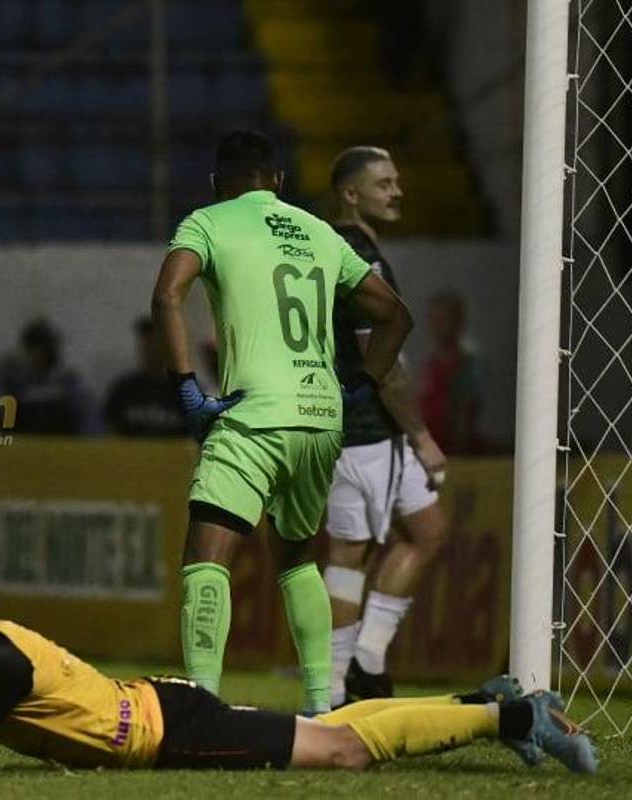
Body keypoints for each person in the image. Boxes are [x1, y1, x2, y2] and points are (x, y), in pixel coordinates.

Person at [0, 548, 597, 774]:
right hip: (155, 712)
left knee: (342, 752)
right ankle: (479, 700)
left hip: (164, 731)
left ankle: (513, 716)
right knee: (330, 727)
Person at [151, 130, 412, 715]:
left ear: (218, 184)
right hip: (321, 420)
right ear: (279, 182)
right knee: (295, 560)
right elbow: (395, 316)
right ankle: (322, 703)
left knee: (207, 555)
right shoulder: (320, 231)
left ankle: (201, 705)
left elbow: (168, 297)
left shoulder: (208, 222)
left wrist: (187, 388)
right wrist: (361, 388)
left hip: (254, 415)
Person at [321, 146, 450, 705]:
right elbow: (380, 358)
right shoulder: (357, 258)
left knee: (428, 532)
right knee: (349, 557)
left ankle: (367, 660)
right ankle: (331, 686)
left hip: (376, 431)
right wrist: (421, 435)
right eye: (384, 183)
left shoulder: (349, 249)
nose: (397, 191)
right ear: (351, 194)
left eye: (397, 180)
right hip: (361, 430)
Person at [0, 317, 99, 435]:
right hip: (21, 446)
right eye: (35, 348)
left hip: (60, 446)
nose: (40, 353)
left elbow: (90, 423)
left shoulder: (68, 382)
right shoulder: (14, 382)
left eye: (45, 348)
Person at [418, 291, 483, 454]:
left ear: (458, 323)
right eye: (435, 320)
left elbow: (465, 411)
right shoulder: (431, 361)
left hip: (451, 449)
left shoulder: (464, 364)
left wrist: (457, 450)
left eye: (443, 321)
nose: (437, 327)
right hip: (430, 445)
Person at [104, 316, 187, 437]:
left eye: (155, 342)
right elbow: (109, 430)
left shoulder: (184, 390)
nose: (150, 348)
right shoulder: (124, 390)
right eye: (146, 342)